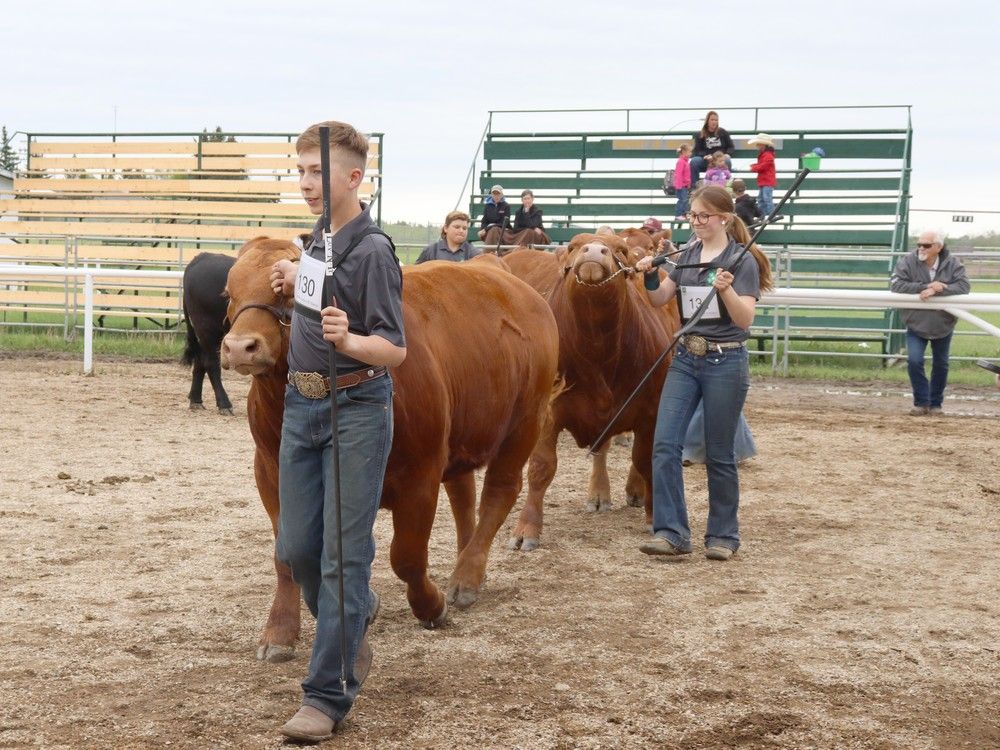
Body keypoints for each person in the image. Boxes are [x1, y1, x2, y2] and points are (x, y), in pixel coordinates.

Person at [267, 120, 407, 742]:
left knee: (343, 560)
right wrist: (289, 282)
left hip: (356, 407)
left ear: (354, 177)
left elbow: (394, 349)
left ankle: (327, 694)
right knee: (298, 549)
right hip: (301, 407)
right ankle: (354, 623)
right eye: (299, 171)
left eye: (316, 172)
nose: (305, 183)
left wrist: (350, 340)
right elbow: (317, 302)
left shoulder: (374, 249)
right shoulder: (318, 238)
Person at [635, 185, 773, 561]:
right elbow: (660, 298)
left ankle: (723, 535)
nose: (696, 222)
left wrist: (726, 291)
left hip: (725, 361)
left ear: (724, 218)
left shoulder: (741, 259)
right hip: (685, 358)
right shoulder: (687, 255)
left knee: (720, 452)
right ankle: (672, 532)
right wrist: (651, 273)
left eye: (703, 216)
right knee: (664, 444)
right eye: (692, 215)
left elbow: (744, 320)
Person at [890, 230, 970, 416]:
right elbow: (895, 284)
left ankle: (936, 404)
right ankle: (921, 402)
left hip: (943, 323)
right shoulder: (908, 260)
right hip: (916, 322)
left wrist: (942, 287)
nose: (920, 248)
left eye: (926, 245)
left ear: (938, 247)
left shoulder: (953, 263)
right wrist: (925, 286)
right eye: (919, 244)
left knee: (941, 364)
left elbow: (964, 286)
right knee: (914, 361)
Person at [689, 111, 735, 189]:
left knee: (727, 160)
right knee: (694, 161)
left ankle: (726, 186)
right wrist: (705, 156)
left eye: (716, 120)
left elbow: (731, 147)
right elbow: (696, 151)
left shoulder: (722, 132)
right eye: (712, 120)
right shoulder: (700, 134)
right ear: (707, 121)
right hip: (706, 160)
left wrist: (727, 153)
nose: (714, 122)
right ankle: (694, 188)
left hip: (720, 159)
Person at [415, 211, 481, 264]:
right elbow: (417, 273)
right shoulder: (431, 251)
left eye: (464, 228)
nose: (461, 231)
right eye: (457, 227)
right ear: (446, 228)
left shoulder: (475, 254)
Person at [748, 133, 777, 218]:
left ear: (763, 145)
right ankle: (762, 214)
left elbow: (763, 166)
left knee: (766, 198)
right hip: (764, 181)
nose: (757, 145)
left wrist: (753, 167)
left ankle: (772, 215)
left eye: (758, 144)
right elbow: (762, 165)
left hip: (767, 181)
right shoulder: (766, 155)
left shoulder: (768, 155)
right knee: (761, 198)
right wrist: (754, 166)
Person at [673, 143, 692, 221]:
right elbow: (678, 174)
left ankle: (684, 214)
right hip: (681, 186)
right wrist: (679, 186)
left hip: (684, 185)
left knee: (685, 200)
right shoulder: (681, 162)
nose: (691, 153)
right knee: (682, 200)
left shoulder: (685, 162)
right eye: (689, 151)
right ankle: (678, 214)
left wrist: (688, 183)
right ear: (684, 152)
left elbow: (686, 175)